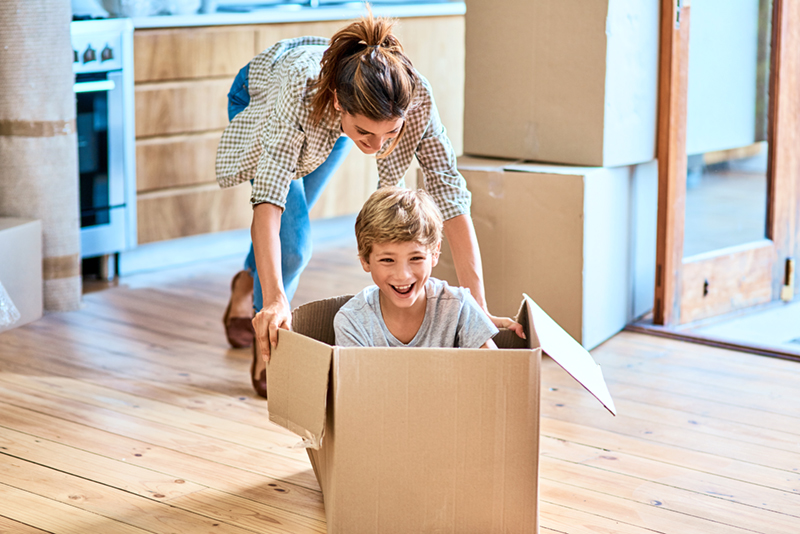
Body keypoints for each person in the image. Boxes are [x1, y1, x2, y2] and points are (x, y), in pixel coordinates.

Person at [216, 10, 523, 398]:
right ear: (339, 107)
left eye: (390, 133)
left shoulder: (415, 99)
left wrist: (478, 305)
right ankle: (268, 338)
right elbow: (268, 203)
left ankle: (247, 282)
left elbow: (450, 193)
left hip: (336, 106)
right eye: (365, 134)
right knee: (293, 242)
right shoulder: (299, 100)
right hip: (264, 95)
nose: (377, 147)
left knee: (291, 222)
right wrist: (278, 300)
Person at [334, 187, 499, 349]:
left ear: (435, 253)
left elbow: (493, 369)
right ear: (365, 260)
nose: (403, 275)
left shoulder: (458, 307)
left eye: (416, 258)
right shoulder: (352, 321)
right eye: (387, 260)